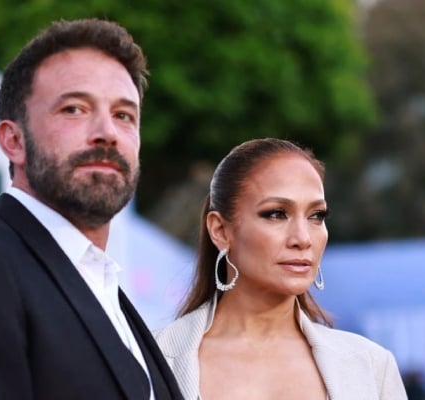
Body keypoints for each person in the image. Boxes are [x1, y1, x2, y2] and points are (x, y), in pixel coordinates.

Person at [0, 18, 183, 400]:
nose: (107, 132)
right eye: (74, 109)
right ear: (14, 141)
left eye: (124, 115)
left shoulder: (117, 305)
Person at [155, 138, 407, 400]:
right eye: (276, 213)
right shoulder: (150, 360)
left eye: (316, 216)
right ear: (220, 230)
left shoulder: (371, 368)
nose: (303, 238)